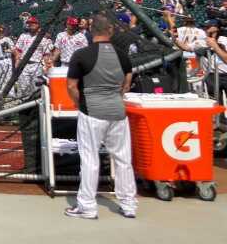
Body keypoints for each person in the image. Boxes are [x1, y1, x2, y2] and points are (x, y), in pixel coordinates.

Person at [65, 14, 137, 220]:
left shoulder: (81, 54)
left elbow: (71, 86)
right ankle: (129, 204)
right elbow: (126, 83)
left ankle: (87, 206)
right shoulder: (122, 55)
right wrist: (115, 98)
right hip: (117, 111)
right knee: (123, 159)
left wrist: (81, 103)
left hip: (92, 111)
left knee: (90, 159)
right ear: (110, 31)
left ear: (91, 31)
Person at [12, 17, 54, 96]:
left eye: (33, 23)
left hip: (36, 65)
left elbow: (46, 55)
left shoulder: (43, 38)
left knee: (36, 88)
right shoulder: (23, 36)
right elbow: (17, 50)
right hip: (24, 65)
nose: (30, 25)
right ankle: (25, 105)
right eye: (29, 23)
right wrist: (17, 60)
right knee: (23, 88)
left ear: (38, 24)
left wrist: (47, 67)